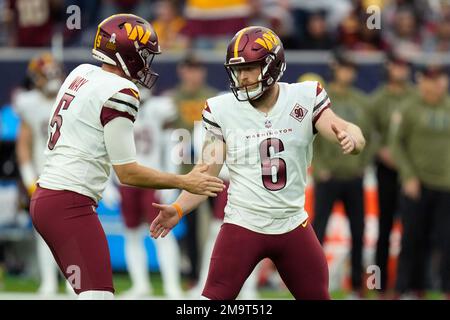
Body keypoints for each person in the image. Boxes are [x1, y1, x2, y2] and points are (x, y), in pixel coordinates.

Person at [149, 26, 366, 300]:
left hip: (292, 224)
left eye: (249, 68)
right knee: (212, 299)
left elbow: (344, 128)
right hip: (243, 224)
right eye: (237, 70)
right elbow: (206, 173)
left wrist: (353, 140)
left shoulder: (304, 97)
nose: (241, 77)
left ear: (272, 65)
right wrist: (178, 208)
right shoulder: (222, 110)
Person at [30, 13, 224, 300]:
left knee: (91, 294)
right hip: (69, 201)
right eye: (143, 53)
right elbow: (127, 173)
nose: (146, 61)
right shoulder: (121, 91)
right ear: (126, 51)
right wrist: (184, 181)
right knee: (99, 296)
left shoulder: (80, 73)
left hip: (47, 195)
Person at [311, 52, 373, 298]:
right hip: (328, 176)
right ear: (335, 69)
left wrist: (363, 163)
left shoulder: (361, 101)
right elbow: (310, 136)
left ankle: (356, 286)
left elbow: (370, 136)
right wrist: (319, 166)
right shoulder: (323, 98)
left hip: (353, 176)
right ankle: (312, 283)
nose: (347, 73)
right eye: (343, 67)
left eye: (351, 68)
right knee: (318, 232)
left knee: (358, 230)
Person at [14, 52, 73, 296]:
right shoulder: (29, 104)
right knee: (45, 233)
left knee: (72, 233)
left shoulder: (72, 99)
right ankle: (48, 281)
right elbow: (23, 145)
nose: (51, 78)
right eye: (45, 73)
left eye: (53, 72)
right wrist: (29, 178)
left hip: (71, 173)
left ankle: (73, 283)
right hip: (44, 176)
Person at [391, 65, 450, 299]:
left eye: (440, 79)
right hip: (417, 184)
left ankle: (446, 289)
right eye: (431, 79)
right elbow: (395, 144)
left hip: (446, 185)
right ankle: (407, 288)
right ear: (421, 82)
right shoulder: (409, 108)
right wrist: (408, 175)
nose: (436, 84)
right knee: (412, 238)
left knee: (447, 241)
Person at [118, 90, 183, 299]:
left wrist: (171, 179)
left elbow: (173, 144)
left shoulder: (158, 108)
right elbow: (109, 146)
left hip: (152, 178)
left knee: (163, 233)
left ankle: (172, 286)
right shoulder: (117, 107)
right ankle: (140, 285)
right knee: (132, 234)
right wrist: (110, 180)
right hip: (126, 180)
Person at [370, 52, 414, 296]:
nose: (401, 70)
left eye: (404, 66)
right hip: (386, 170)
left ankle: (408, 286)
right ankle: (379, 285)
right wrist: (380, 151)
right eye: (397, 65)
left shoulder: (415, 97)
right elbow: (369, 131)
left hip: (412, 171)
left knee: (412, 229)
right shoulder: (378, 99)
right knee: (384, 228)